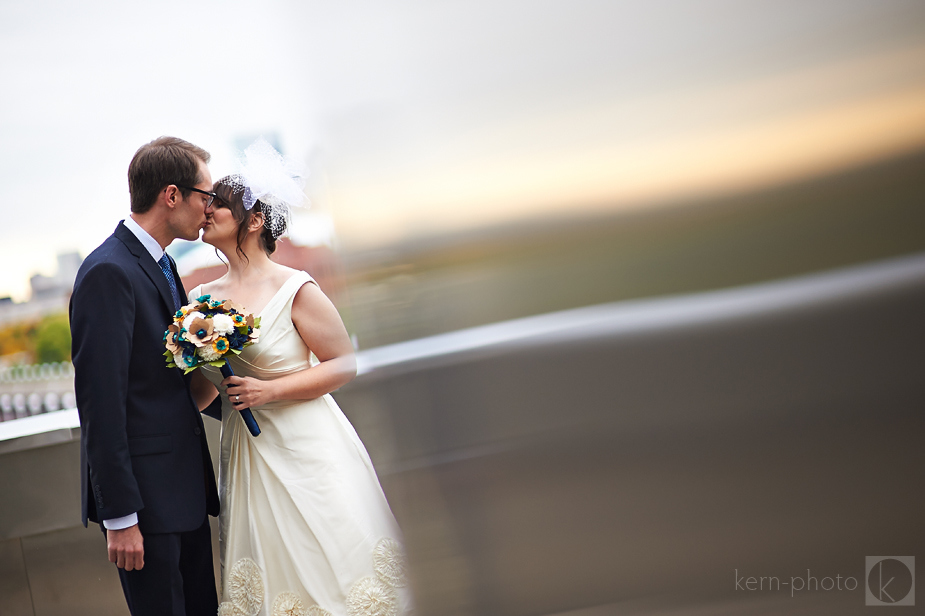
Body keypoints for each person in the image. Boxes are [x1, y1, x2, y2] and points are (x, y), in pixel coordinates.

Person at [188, 139, 409, 616]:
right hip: (250, 453)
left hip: (309, 446)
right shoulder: (201, 298)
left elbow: (343, 362)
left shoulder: (294, 288)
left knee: (336, 559)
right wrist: (189, 357)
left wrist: (270, 390)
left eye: (218, 206)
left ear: (254, 220)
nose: (206, 213)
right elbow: (205, 391)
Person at [70, 137, 221, 616]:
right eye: (206, 197)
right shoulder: (107, 272)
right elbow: (100, 402)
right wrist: (119, 516)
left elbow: (170, 378)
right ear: (171, 195)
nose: (210, 209)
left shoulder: (164, 263)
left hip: (185, 494)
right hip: (145, 510)